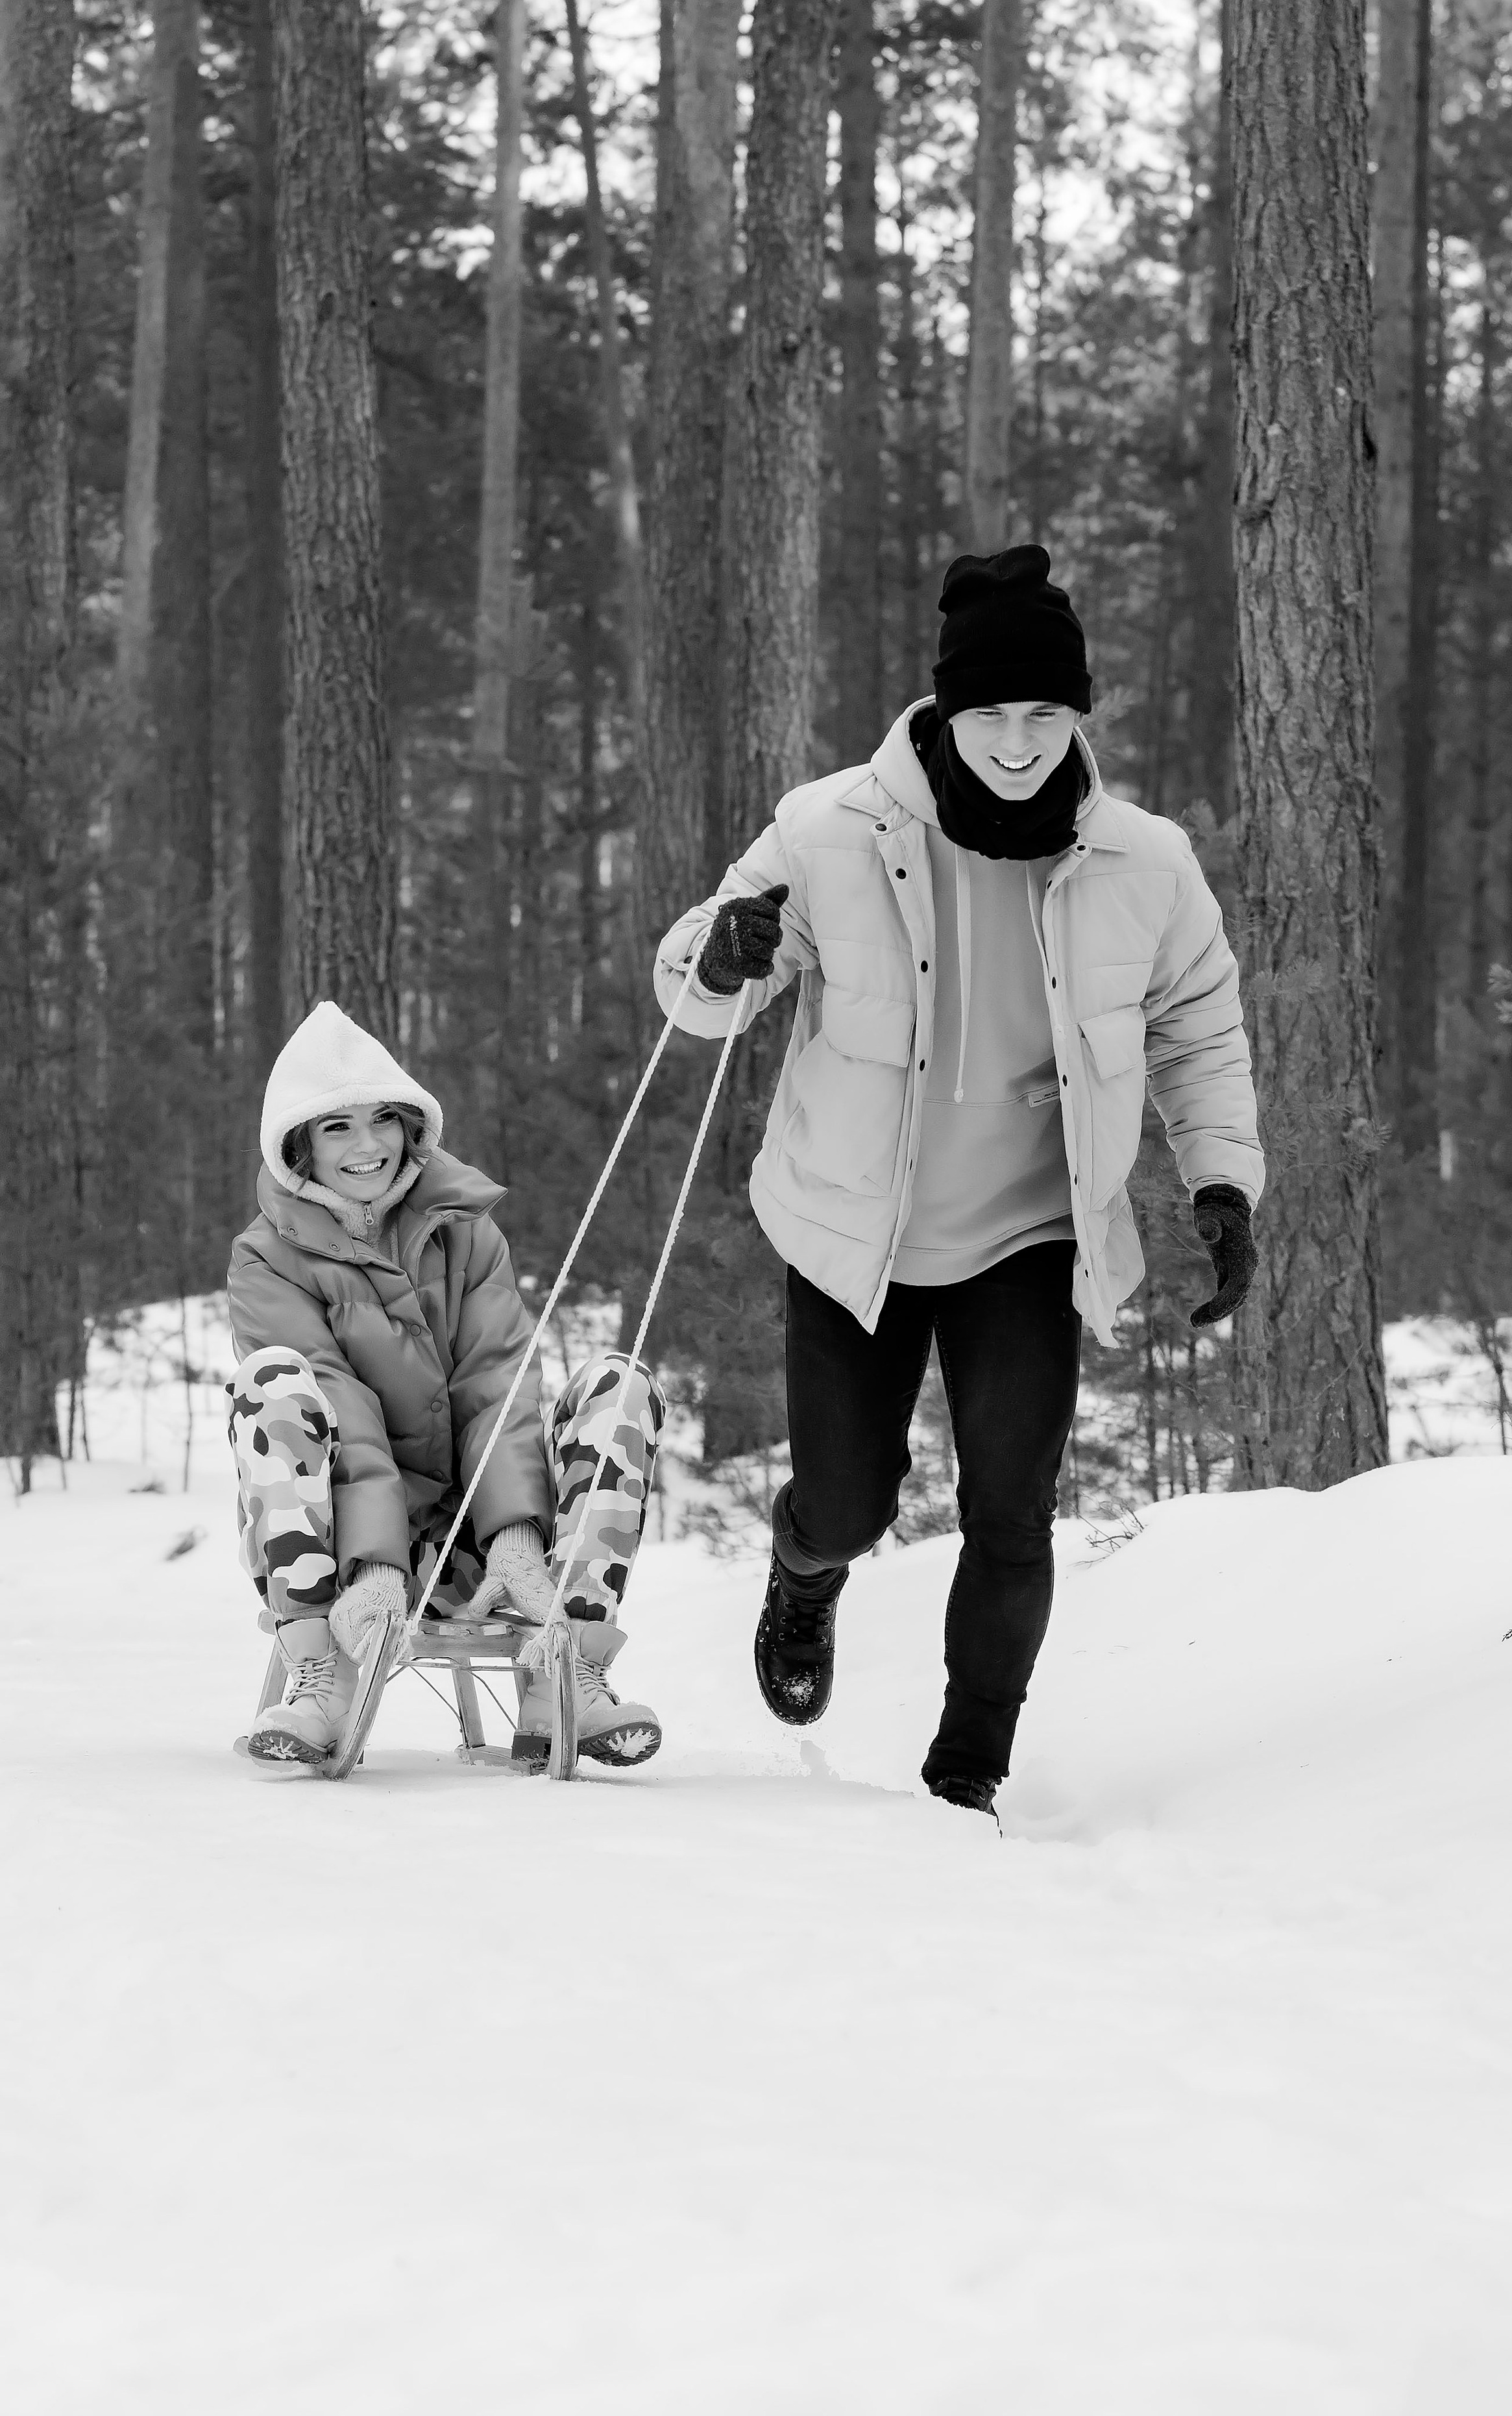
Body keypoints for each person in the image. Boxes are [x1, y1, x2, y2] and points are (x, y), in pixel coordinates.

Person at [654, 543, 1263, 1814]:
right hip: (851, 1226)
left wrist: (1221, 1185)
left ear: (1076, 717)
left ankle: (966, 1771)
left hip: (1031, 1235)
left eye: (1046, 714)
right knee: (847, 1498)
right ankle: (802, 1570)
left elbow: (1197, 1030)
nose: (1018, 740)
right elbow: (698, 1002)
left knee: (1009, 1514)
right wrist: (721, 958)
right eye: (993, 712)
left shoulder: (1141, 864)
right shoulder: (829, 830)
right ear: (946, 708)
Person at [225, 1000, 665, 1769]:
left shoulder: (464, 1228)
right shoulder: (267, 1259)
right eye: (337, 1128)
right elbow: (341, 1401)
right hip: (340, 1552)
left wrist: (516, 1536)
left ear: (410, 1124)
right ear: (300, 1147)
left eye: (382, 1120)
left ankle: (564, 1666)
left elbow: (497, 1379)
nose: (368, 1147)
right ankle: (323, 1674)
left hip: (474, 1541)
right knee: (275, 1386)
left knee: (617, 1385)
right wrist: (377, 1562)